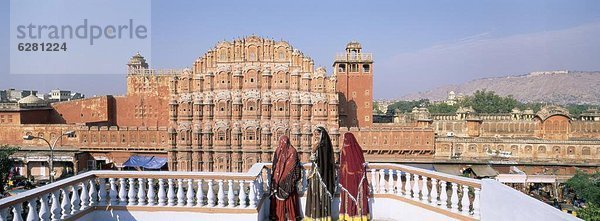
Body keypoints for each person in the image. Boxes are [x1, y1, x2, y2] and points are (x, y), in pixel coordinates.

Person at [305, 127, 335, 221]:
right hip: (316, 174)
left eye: (318, 134)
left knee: (321, 194)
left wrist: (314, 149)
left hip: (321, 175)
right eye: (315, 134)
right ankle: (317, 215)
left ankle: (322, 216)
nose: (316, 136)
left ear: (322, 134)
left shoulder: (322, 146)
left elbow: (314, 159)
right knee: (316, 193)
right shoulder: (322, 146)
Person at [270, 136, 303, 221]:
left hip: (288, 180)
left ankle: (290, 216)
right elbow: (275, 164)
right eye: (280, 142)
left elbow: (292, 167)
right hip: (277, 179)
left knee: (289, 198)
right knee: (278, 200)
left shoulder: (292, 152)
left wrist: (286, 178)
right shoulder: (278, 150)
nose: (282, 144)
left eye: (283, 142)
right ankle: (279, 217)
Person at [338, 133, 370, 221]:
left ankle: (349, 215)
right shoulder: (357, 149)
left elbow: (342, 164)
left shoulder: (344, 149)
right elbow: (362, 163)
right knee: (359, 196)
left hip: (348, 178)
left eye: (345, 139)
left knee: (348, 196)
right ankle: (360, 216)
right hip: (359, 177)